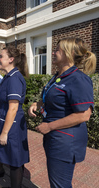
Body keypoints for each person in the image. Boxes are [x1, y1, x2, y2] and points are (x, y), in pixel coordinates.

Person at [28, 37, 96, 188]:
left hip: (64, 140)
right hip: (54, 138)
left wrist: (49, 126)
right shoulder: (57, 77)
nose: (52, 52)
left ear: (69, 53)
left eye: (57, 50)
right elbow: (53, 99)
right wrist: (37, 104)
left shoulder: (78, 79)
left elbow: (84, 114)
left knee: (60, 184)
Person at [0, 46, 30, 187]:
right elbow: (4, 100)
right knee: (11, 157)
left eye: (1, 56)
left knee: (15, 160)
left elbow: (13, 108)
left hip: (12, 126)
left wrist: (4, 133)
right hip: (4, 119)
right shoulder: (7, 77)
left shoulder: (15, 79)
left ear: (11, 60)